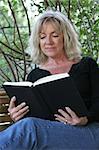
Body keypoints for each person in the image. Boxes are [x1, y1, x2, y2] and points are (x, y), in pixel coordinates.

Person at [0, 9, 99, 150]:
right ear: (37, 41)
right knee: (28, 126)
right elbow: (38, 120)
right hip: (54, 137)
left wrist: (84, 119)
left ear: (65, 37)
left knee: (30, 128)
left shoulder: (87, 65)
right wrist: (17, 117)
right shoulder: (34, 76)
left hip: (90, 133)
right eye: (42, 37)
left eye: (55, 35)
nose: (48, 42)